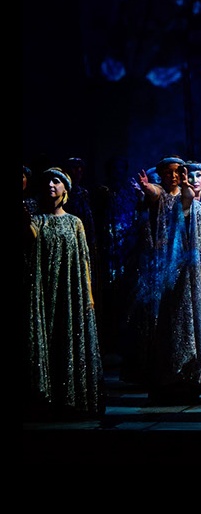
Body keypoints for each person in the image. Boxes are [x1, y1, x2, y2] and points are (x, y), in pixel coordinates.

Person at [136, 159, 201, 401]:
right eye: (183, 175)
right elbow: (172, 201)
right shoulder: (173, 202)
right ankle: (179, 379)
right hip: (179, 279)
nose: (188, 179)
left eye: (185, 174)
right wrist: (152, 189)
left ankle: (200, 379)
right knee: (181, 328)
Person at [27, 167, 104, 419]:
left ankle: (72, 398)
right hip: (45, 291)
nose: (51, 184)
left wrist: (88, 294)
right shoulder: (38, 220)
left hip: (70, 292)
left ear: (65, 189)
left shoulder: (74, 222)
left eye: (56, 181)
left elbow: (83, 259)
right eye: (48, 181)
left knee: (69, 336)